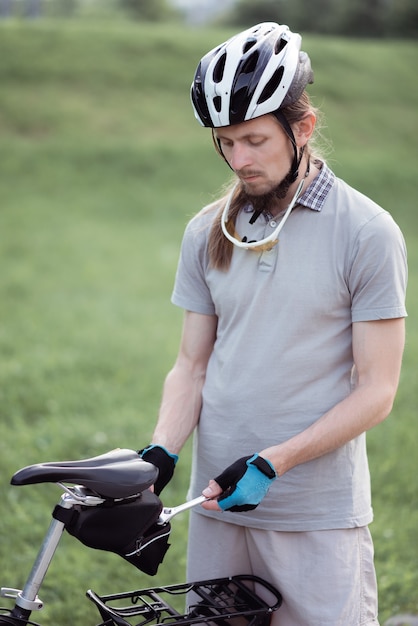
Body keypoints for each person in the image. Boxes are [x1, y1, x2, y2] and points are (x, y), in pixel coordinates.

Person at [139, 22, 407, 626]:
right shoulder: (207, 230)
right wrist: (162, 450)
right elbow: (192, 365)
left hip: (314, 513)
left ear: (303, 127)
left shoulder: (367, 232)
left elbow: (378, 391)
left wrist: (271, 463)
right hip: (213, 507)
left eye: (255, 140)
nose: (240, 159)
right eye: (226, 143)